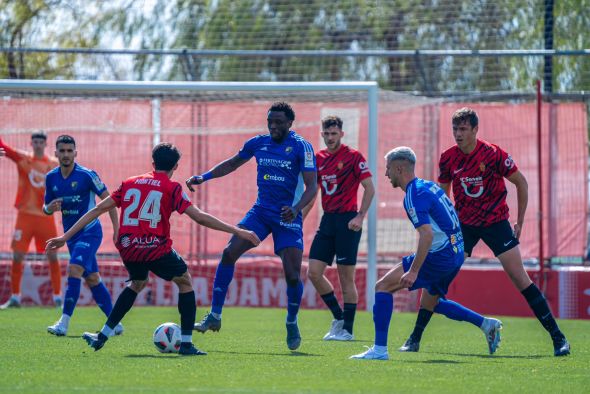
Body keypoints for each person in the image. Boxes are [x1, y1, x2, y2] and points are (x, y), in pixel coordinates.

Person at [46, 142, 260, 355]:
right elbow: (200, 218)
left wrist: (65, 236)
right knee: (184, 281)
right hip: (154, 248)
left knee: (137, 283)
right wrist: (239, 231)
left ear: (152, 162)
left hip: (128, 247)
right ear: (176, 166)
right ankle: (186, 344)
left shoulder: (130, 182)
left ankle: (102, 335)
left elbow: (99, 208)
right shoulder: (172, 188)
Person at [399, 107, 570, 357]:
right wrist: (441, 231)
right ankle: (414, 339)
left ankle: (559, 338)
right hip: (463, 227)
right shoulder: (448, 158)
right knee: (438, 280)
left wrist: (520, 221)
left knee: (520, 278)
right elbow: (441, 197)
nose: (458, 134)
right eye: (455, 129)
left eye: (463, 129)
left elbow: (521, 182)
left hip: (496, 222)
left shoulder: (492, 154)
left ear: (475, 130)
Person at [186, 102, 317, 351]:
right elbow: (232, 163)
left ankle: (291, 321)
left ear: (290, 123)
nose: (273, 126)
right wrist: (203, 177)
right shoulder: (258, 143)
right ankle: (214, 315)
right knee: (228, 253)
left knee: (291, 275)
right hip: (260, 212)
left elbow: (312, 186)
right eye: (270, 121)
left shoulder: (301, 147)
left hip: (287, 216)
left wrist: (297, 209)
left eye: (278, 122)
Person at [350, 146, 502, 361]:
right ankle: (486, 324)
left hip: (441, 254)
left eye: (388, 169)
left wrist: (413, 271)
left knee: (382, 287)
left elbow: (427, 235)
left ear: (399, 168)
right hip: (456, 252)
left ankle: (379, 350)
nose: (386, 174)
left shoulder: (413, 195)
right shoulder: (429, 186)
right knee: (432, 303)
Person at [302, 115, 374, 341]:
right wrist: (300, 218)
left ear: (342, 134)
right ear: (322, 134)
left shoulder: (353, 157)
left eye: (335, 134)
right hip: (328, 220)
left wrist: (360, 217)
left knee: (346, 278)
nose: (331, 138)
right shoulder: (318, 158)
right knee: (313, 272)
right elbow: (313, 193)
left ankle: (348, 331)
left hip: (348, 222)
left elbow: (369, 189)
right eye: (327, 134)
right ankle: (339, 318)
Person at [43, 135, 122, 336]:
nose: (66, 154)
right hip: (71, 236)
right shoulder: (51, 177)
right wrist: (48, 209)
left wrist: (116, 229)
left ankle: (64, 323)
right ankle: (115, 323)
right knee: (93, 278)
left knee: (75, 269)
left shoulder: (87, 175)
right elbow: (46, 207)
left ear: (76, 153)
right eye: (62, 151)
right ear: (56, 153)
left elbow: (110, 200)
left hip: (90, 233)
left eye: (70, 151)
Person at [0, 132, 63, 309]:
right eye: (35, 141)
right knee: (18, 256)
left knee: (52, 256)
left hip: (46, 217)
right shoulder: (24, 159)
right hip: (25, 216)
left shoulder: (53, 164)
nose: (37, 144)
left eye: (40, 142)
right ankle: (15, 298)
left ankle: (58, 298)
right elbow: (5, 148)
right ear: (31, 143)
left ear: (45, 144)